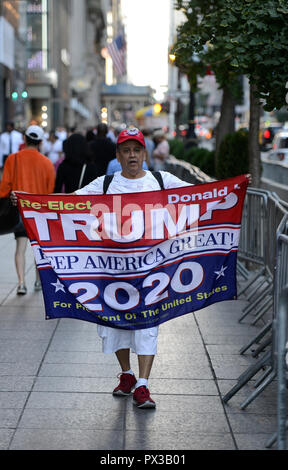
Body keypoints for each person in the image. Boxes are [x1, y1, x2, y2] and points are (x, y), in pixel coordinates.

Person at [74, 127, 191, 408]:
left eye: (136, 150)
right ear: (118, 155)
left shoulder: (162, 180)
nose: (132, 156)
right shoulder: (105, 184)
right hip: (114, 272)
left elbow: (200, 195)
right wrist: (29, 200)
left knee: (148, 326)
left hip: (152, 273)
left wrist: (236, 185)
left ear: (144, 153)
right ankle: (127, 374)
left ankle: (143, 384)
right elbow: (67, 203)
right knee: (117, 327)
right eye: (126, 151)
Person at [0, 125, 55, 295]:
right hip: (39, 212)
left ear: (24, 139)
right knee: (38, 248)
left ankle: (21, 282)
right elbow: (50, 191)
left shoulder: (13, 159)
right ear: (39, 142)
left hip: (19, 211)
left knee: (20, 248)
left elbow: (4, 188)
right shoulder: (47, 163)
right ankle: (38, 281)